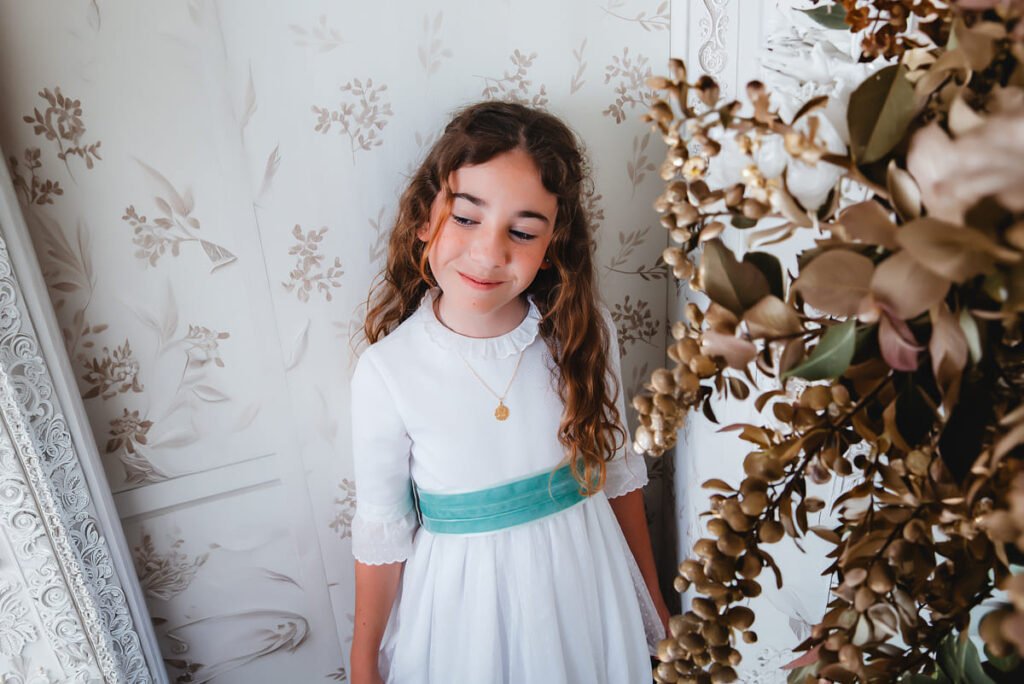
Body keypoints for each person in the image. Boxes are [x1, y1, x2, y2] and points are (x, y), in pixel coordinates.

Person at [349, 100, 670, 684]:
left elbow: (618, 477)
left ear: (551, 244)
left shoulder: (583, 332)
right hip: (467, 617)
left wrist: (655, 610)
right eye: (466, 218)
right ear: (425, 218)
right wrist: (363, 663)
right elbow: (382, 533)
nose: (489, 252)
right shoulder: (387, 372)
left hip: (588, 590)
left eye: (521, 232)